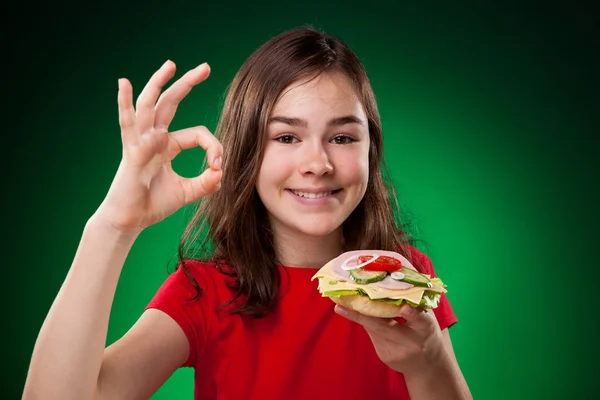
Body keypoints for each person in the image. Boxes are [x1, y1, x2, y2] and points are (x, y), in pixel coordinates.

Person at [23, 26, 472, 399]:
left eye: (342, 137)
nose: (318, 163)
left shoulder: (402, 276)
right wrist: (113, 224)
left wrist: (427, 359)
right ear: (244, 153)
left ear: (371, 150)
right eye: (286, 137)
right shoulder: (203, 293)